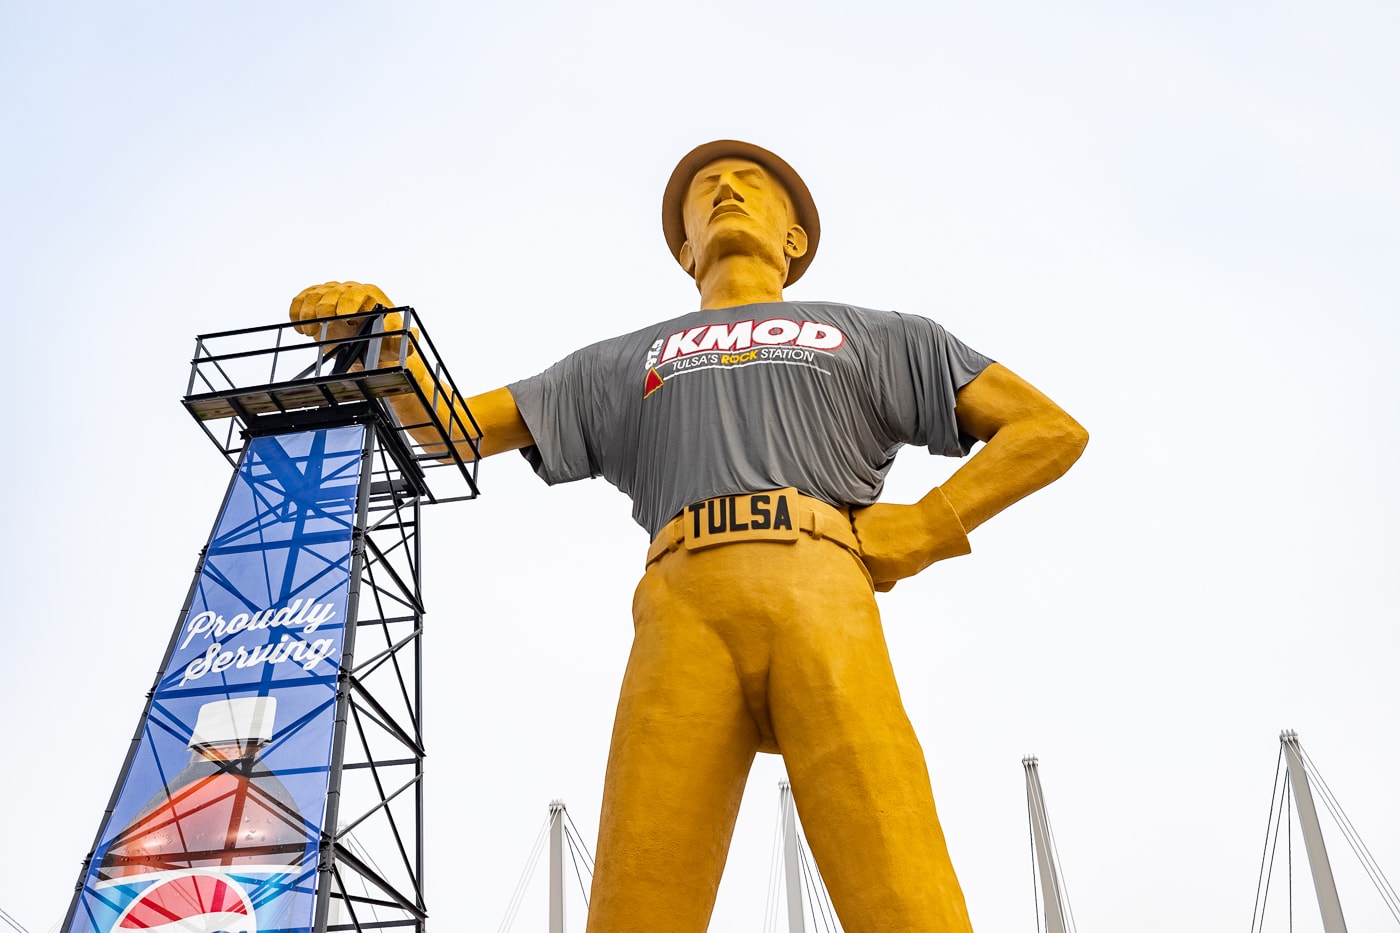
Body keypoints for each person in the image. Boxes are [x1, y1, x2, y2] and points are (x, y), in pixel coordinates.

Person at [289, 140, 1088, 933]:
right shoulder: (617, 362)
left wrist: (926, 523)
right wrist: (382, 342)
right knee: (637, 905)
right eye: (706, 188)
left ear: (795, 237)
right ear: (683, 247)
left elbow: (1045, 428)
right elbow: (450, 427)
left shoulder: (879, 334)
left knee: (901, 889)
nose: (727, 191)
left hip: (821, 590)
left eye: (751, 183)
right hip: (682, 609)